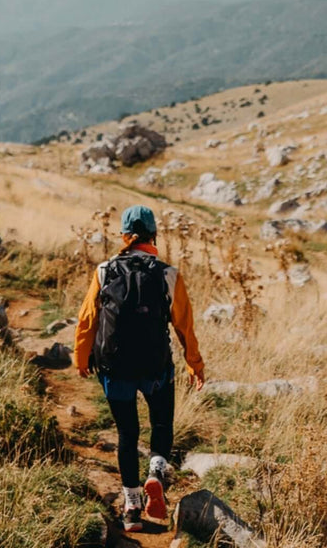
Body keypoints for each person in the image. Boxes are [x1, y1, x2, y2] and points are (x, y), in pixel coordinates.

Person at [74, 205, 205, 533]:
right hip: (155, 368)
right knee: (161, 422)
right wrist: (194, 364)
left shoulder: (105, 271)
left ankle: (132, 509)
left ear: (124, 236)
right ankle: (156, 473)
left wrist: (81, 357)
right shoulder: (167, 274)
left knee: (127, 434)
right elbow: (184, 326)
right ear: (154, 235)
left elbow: (88, 318)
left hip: (114, 367)